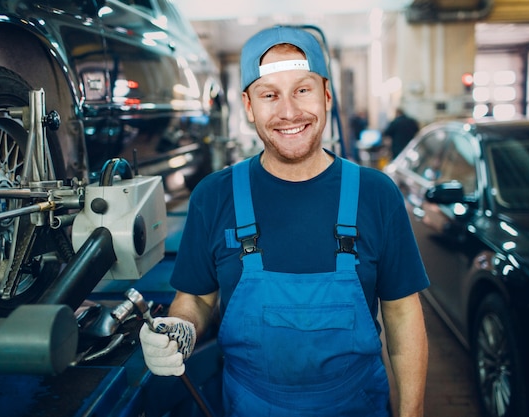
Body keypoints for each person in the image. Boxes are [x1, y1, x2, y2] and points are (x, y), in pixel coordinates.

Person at [139, 25, 430, 417]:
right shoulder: (214, 196)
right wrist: (180, 329)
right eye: (269, 95)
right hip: (250, 405)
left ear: (326, 95)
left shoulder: (377, 195)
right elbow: (194, 297)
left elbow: (401, 313)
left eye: (302, 90)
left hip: (357, 404)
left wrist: (411, 413)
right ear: (248, 106)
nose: (289, 112)